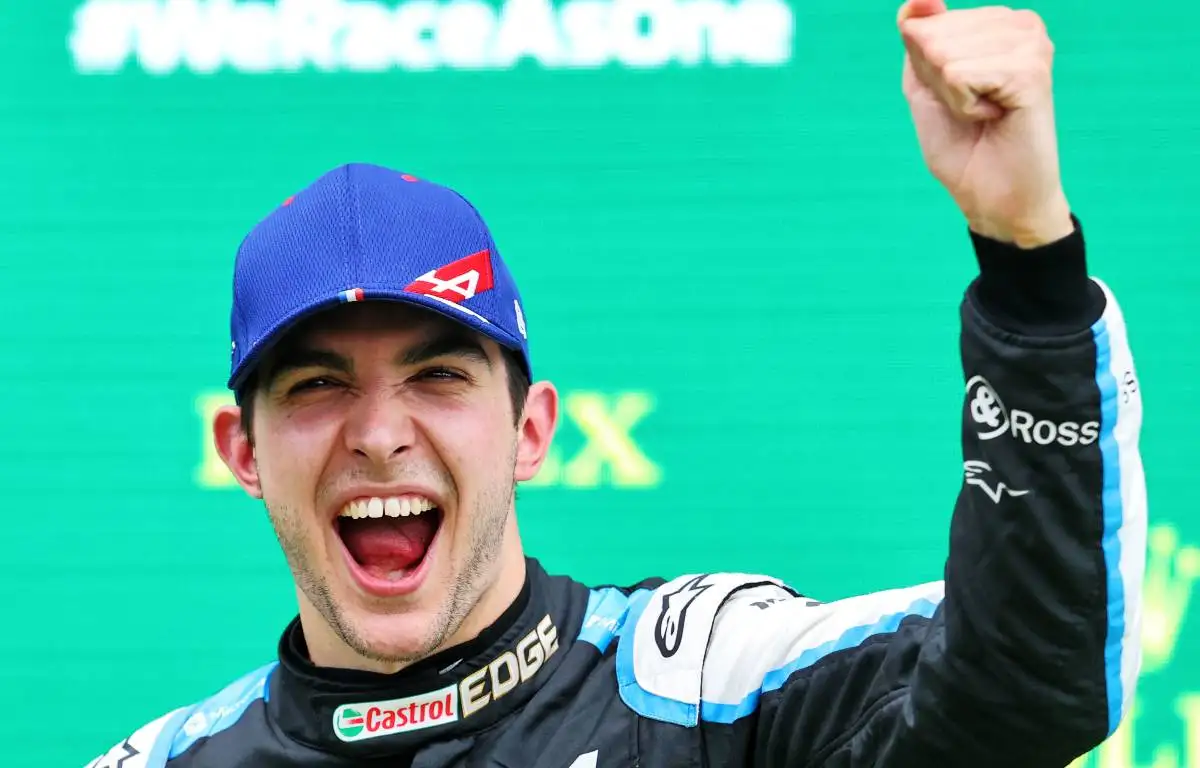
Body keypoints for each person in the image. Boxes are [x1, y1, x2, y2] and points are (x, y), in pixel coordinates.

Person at [86, 0, 1148, 765]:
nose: (378, 433)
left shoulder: (707, 688)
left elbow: (1029, 687)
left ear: (531, 430)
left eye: (439, 375)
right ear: (241, 453)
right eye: (317, 385)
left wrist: (1028, 268)